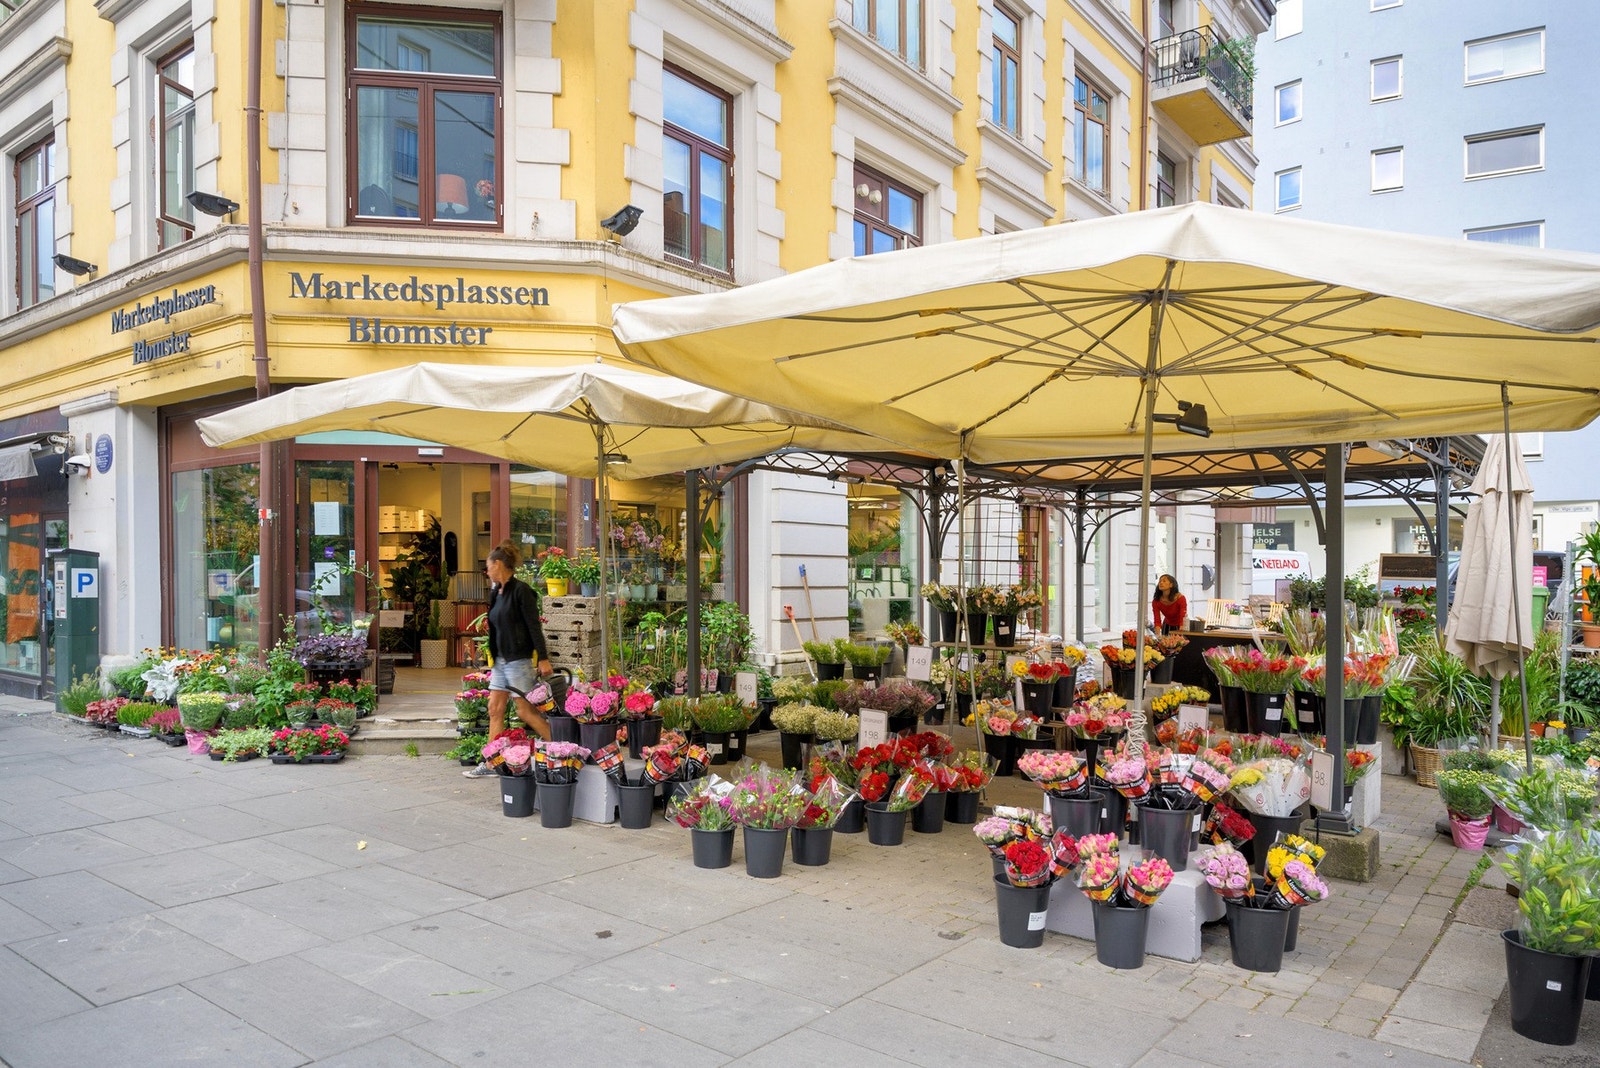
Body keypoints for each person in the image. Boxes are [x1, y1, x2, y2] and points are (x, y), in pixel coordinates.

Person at [465, 540, 554, 778]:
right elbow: (494, 627)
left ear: (499, 565)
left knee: (525, 712)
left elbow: (534, 627)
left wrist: (542, 658)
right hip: (502, 662)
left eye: (488, 565)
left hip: (519, 661)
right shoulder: (496, 592)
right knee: (495, 709)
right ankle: (492, 762)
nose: (487, 570)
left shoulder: (522, 591)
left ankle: (561, 748)